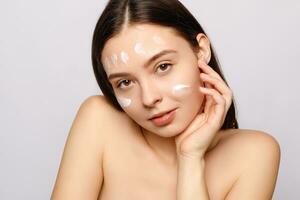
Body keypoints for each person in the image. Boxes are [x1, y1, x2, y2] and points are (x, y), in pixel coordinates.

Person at [51, 0, 281, 199]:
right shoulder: (99, 121)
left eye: (163, 67)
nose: (149, 98)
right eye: (125, 83)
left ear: (201, 50)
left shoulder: (254, 155)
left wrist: (190, 159)